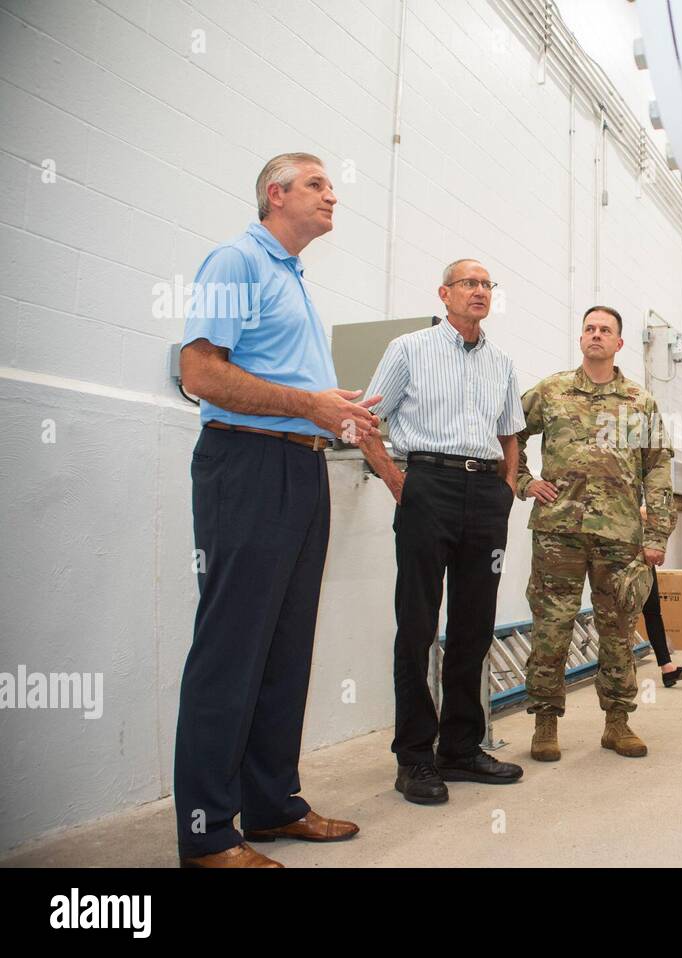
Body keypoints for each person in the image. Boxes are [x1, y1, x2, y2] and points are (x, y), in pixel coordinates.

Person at [174, 153, 376, 867]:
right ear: (276, 193)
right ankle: (205, 834)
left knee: (285, 650)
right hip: (247, 464)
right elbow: (200, 374)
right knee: (231, 653)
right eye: (319, 184)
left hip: (302, 466)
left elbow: (289, 386)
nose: (333, 196)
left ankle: (270, 804)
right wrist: (307, 404)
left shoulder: (293, 280)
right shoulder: (237, 260)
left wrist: (334, 409)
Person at [360, 258, 525, 805]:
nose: (479, 292)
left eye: (485, 285)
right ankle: (414, 757)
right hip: (427, 483)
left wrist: (504, 489)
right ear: (445, 293)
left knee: (474, 626)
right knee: (417, 624)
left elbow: (509, 436)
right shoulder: (408, 349)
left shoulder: (501, 362)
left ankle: (460, 747)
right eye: (468, 284)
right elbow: (365, 421)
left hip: (485, 496)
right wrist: (397, 481)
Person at [515, 306, 674, 761]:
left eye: (606, 330)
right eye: (590, 328)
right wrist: (524, 482)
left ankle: (617, 723)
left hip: (620, 535)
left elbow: (658, 466)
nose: (596, 335)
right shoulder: (551, 391)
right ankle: (545, 723)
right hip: (557, 531)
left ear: (619, 343)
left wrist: (657, 533)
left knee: (618, 629)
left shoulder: (639, 401)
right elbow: (508, 432)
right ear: (581, 338)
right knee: (551, 627)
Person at [639, 504, 682, 687]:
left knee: (653, 610)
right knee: (619, 615)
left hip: (643, 553)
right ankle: (611, 670)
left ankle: (667, 668)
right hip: (617, 555)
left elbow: (666, 515)